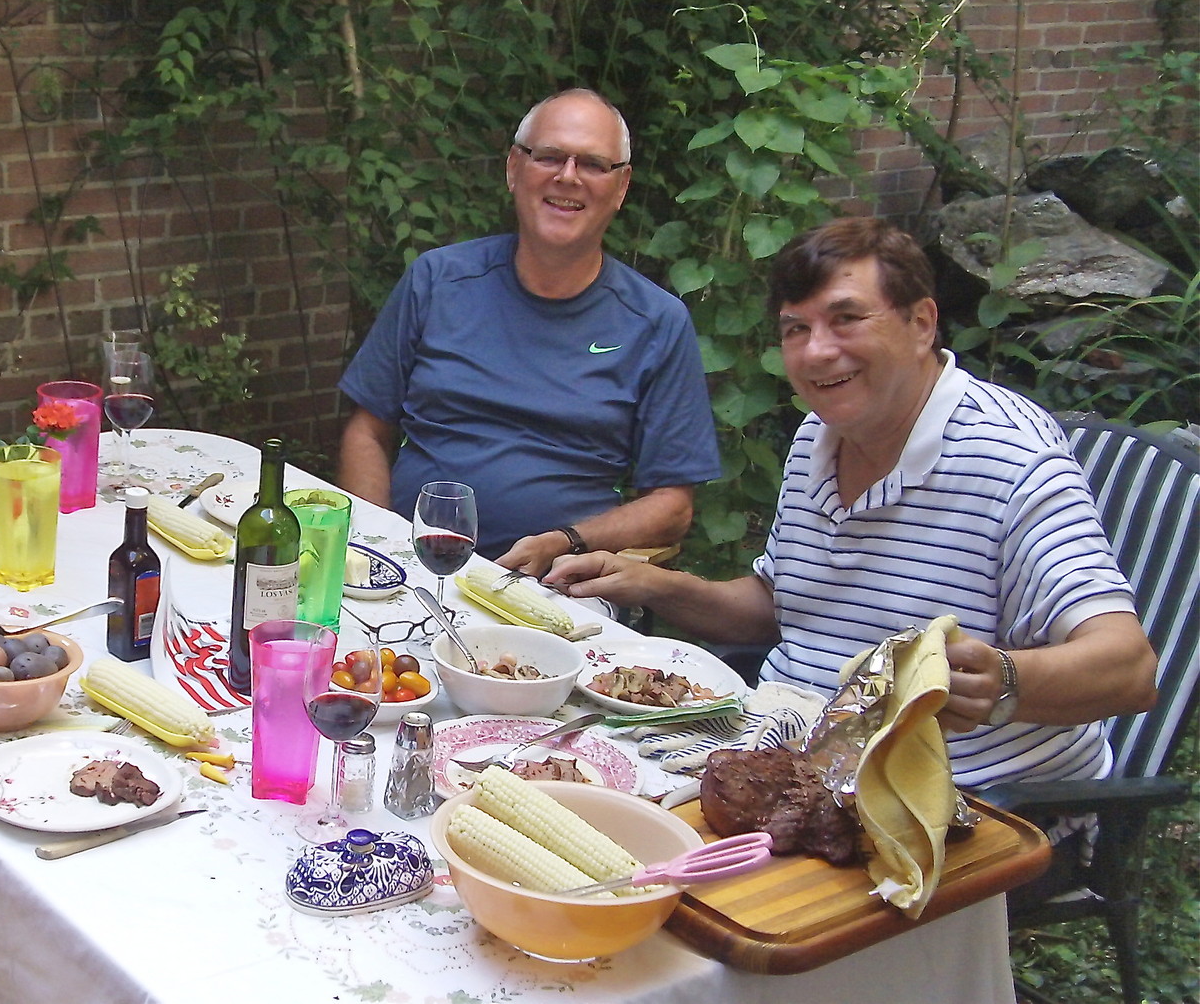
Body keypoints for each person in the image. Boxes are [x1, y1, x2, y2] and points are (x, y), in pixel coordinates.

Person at [543, 216, 1157, 790]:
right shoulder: (819, 435)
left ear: (922, 323)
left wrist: (1003, 680)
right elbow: (780, 608)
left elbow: (1128, 669)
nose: (816, 352)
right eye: (796, 329)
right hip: (793, 764)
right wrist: (650, 583)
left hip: (958, 807)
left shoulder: (1009, 459)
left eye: (846, 319)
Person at [336, 88, 721, 565]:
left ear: (621, 188)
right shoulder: (438, 281)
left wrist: (568, 541)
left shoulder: (656, 322)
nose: (568, 177)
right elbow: (367, 432)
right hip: (416, 564)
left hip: (562, 582)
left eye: (594, 164)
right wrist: (378, 546)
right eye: (550, 156)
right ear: (513, 169)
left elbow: (673, 507)